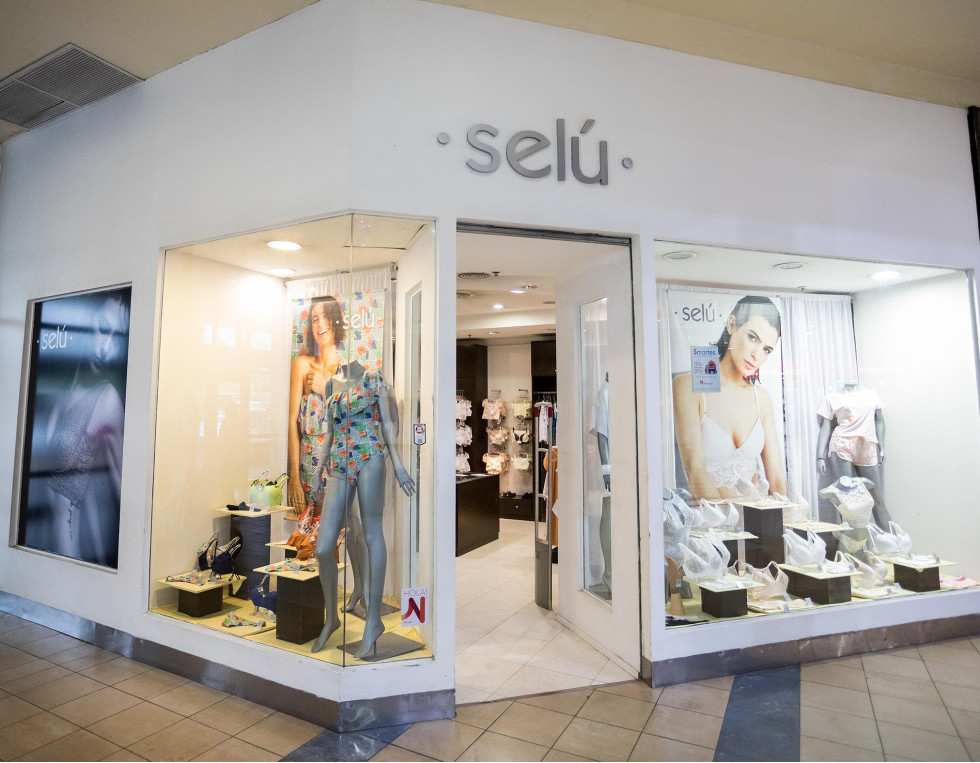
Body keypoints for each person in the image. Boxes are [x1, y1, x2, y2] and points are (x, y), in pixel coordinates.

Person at [311, 361, 415, 659]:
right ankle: (332, 618)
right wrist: (318, 470)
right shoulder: (331, 384)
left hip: (369, 455)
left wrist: (398, 464)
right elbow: (330, 432)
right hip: (339, 462)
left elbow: (387, 423)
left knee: (372, 533)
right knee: (323, 547)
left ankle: (373, 620)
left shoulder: (373, 378)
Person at [38, 291, 130, 566]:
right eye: (102, 328)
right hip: (39, 555)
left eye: (117, 338)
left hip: (73, 560)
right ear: (86, 320)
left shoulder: (107, 398)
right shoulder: (58, 391)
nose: (106, 348)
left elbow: (126, 494)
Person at [672, 296, 787, 501]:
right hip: (712, 517)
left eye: (766, 349)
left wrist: (783, 517)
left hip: (756, 516)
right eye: (752, 338)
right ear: (732, 325)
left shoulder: (761, 398)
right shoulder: (687, 387)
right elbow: (695, 471)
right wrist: (729, 519)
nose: (757, 354)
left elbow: (777, 479)